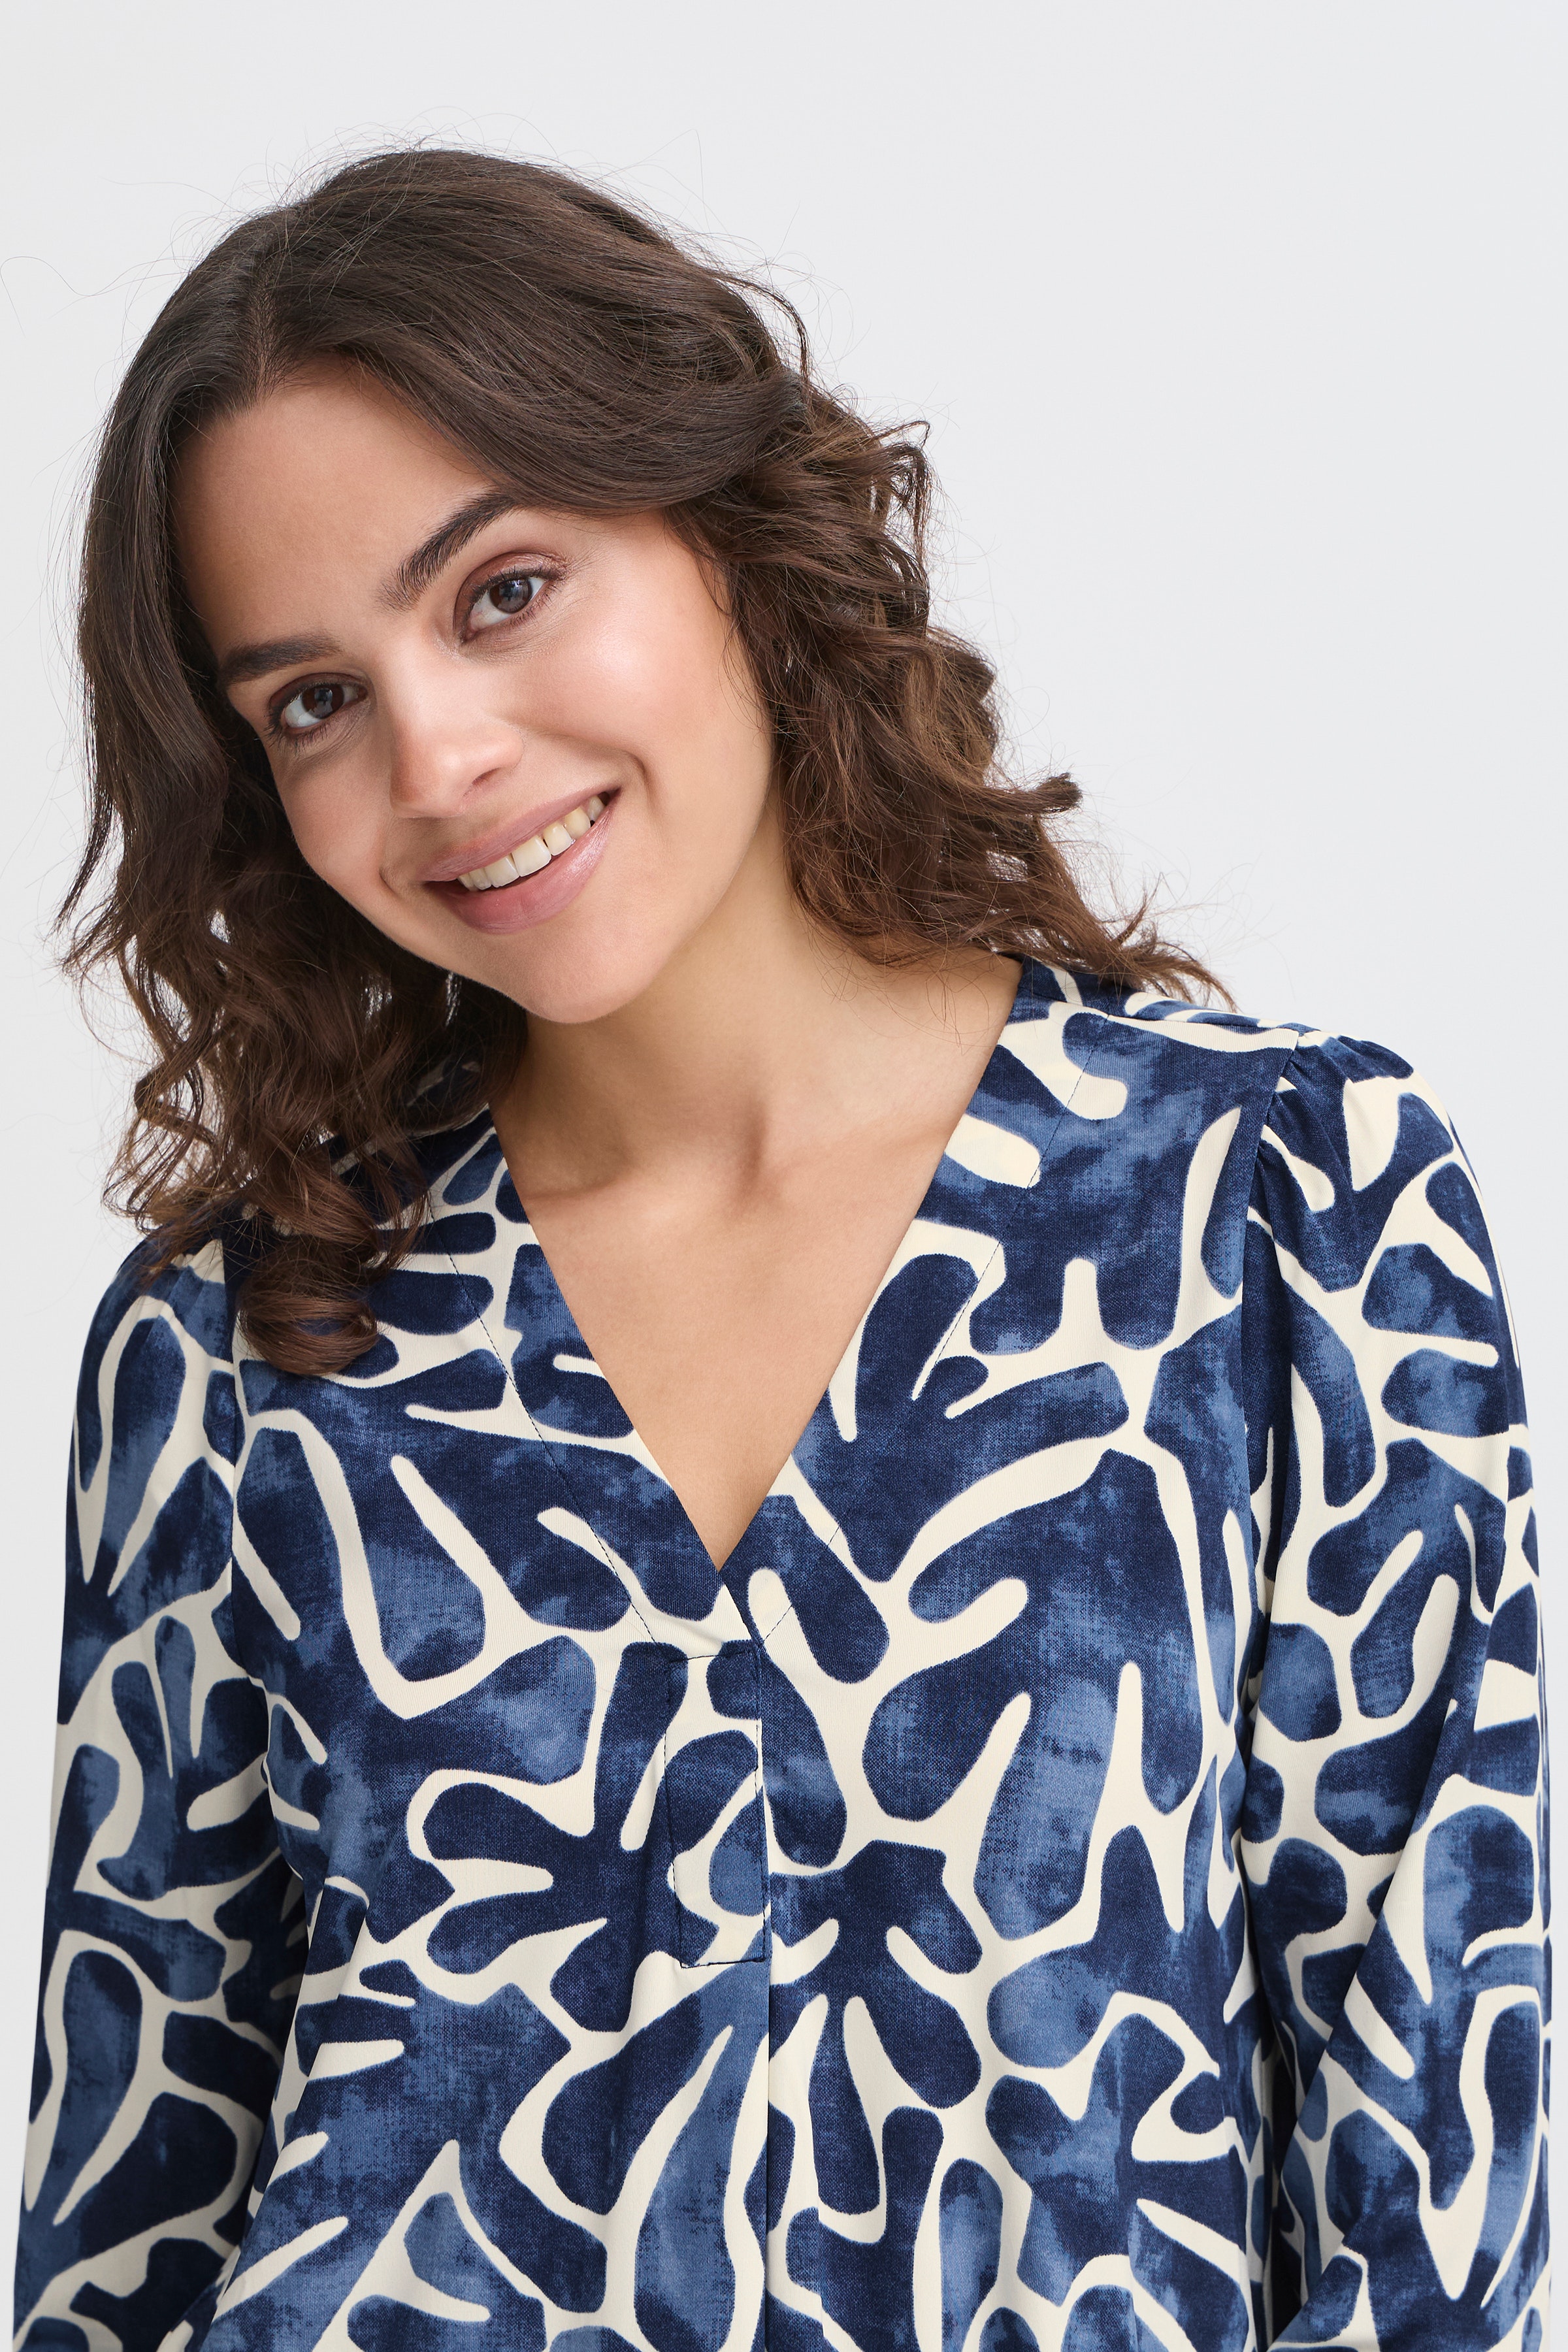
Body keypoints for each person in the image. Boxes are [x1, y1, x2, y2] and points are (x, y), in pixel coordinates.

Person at [13, 146, 1547, 2352]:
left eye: (502, 590)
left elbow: (1440, 2185)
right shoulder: (244, 1345)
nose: (440, 758)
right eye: (314, 702)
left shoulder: (1284, 1204)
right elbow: (130, 2218)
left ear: (720, 528)